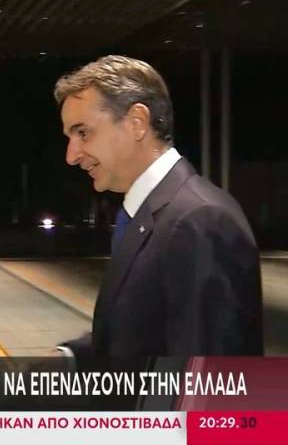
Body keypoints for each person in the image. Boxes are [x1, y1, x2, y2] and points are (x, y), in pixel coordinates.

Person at [54, 55, 263, 358]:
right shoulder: (149, 215)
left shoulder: (199, 220)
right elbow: (138, 335)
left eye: (83, 132)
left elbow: (207, 379)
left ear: (137, 123)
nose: (71, 155)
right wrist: (68, 359)